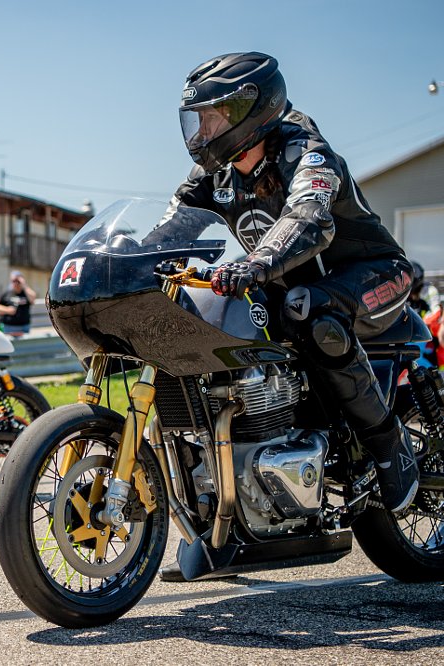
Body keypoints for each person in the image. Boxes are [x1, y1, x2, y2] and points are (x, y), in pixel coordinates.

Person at [147, 51, 418, 525]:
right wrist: (126, 260)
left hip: (375, 274)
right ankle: (231, 502)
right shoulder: (214, 176)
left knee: (307, 310)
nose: (203, 131)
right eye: (198, 119)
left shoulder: (307, 152)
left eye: (213, 118)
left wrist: (256, 262)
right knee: (217, 320)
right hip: (283, 281)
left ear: (253, 108)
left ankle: (389, 443)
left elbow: (309, 218)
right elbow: (166, 230)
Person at [0, 270, 37, 337]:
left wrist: (24, 285)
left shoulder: (26, 292)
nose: (16, 283)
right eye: (14, 281)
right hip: (9, 327)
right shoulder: (7, 293)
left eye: (18, 281)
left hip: (24, 327)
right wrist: (7, 310)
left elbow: (33, 298)